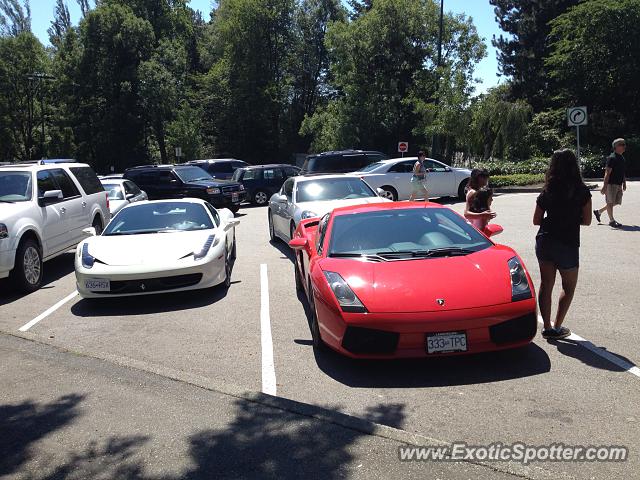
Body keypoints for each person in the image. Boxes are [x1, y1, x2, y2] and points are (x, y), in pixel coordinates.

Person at [533, 149, 592, 340]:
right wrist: (570, 219)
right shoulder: (582, 191)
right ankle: (558, 327)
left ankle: (547, 327)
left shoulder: (548, 190)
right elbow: (588, 220)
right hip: (568, 242)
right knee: (568, 287)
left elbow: (536, 220)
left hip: (546, 240)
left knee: (546, 283)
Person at [593, 138, 627, 228]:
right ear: (616, 146)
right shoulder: (612, 158)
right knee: (610, 202)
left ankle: (598, 211)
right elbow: (607, 173)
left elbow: (622, 172)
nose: (624, 146)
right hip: (611, 184)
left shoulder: (622, 158)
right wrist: (604, 186)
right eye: (622, 144)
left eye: (624, 144)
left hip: (618, 184)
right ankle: (611, 221)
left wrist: (624, 183)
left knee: (616, 202)